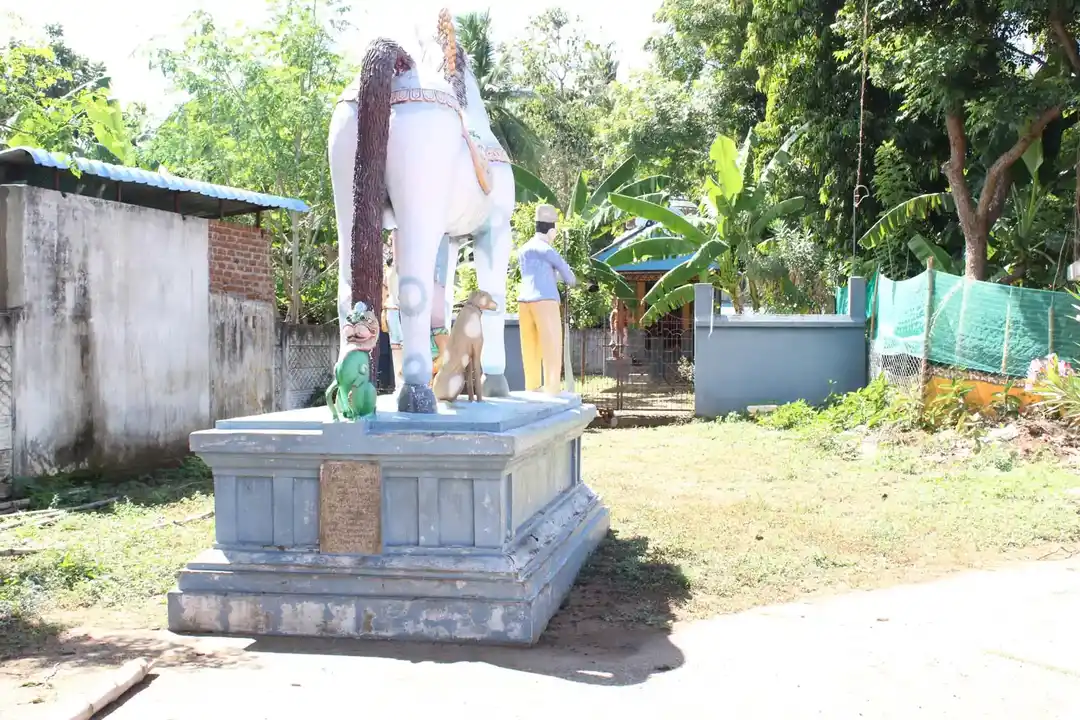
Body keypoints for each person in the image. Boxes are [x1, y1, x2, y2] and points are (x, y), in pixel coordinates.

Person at [517, 204, 576, 394]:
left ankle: (532, 387)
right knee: (551, 346)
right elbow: (569, 278)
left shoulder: (524, 250)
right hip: (546, 301)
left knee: (530, 347)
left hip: (524, 301)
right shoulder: (548, 250)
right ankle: (552, 388)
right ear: (551, 230)